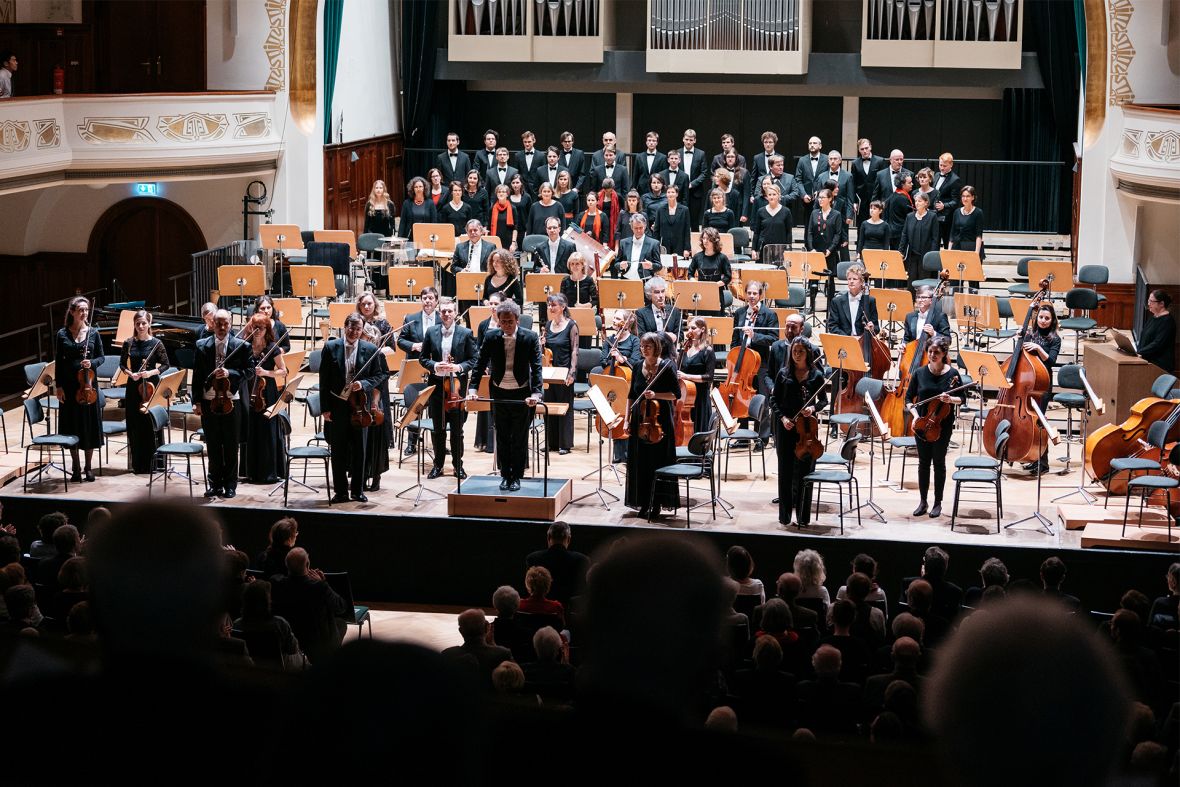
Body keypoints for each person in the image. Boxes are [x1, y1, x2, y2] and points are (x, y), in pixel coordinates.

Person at [468, 299, 543, 492]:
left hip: (521, 393)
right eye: (503, 322)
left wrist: (536, 392)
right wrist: (473, 389)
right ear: (498, 321)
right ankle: (505, 475)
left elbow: (536, 367)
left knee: (518, 437)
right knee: (501, 436)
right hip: (499, 391)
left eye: (510, 321)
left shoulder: (530, 337)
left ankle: (516, 476)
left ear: (517, 319)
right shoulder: (492, 336)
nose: (507, 326)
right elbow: (479, 363)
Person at [319, 312, 389, 502]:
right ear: (345, 326)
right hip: (337, 405)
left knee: (360, 450)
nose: (355, 332)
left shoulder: (370, 349)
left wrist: (364, 384)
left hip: (360, 406)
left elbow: (381, 375)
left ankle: (357, 491)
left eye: (358, 329)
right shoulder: (331, 347)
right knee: (338, 451)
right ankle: (340, 491)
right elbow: (323, 381)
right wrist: (325, 408)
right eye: (352, 328)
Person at [193, 309, 252, 498]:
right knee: (213, 445)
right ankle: (215, 484)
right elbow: (196, 376)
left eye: (226, 323)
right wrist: (196, 401)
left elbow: (249, 372)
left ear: (231, 323)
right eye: (218, 323)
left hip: (231, 402)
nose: (222, 327)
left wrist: (230, 374)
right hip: (209, 400)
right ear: (212, 324)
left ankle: (230, 485)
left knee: (231, 445)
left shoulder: (241, 346)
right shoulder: (202, 345)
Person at [906, 337, 964, 517]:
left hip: (942, 425)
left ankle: (937, 503)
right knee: (923, 463)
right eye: (930, 351)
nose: (932, 355)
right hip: (922, 424)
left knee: (938, 462)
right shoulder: (919, 373)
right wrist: (916, 417)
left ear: (944, 353)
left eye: (936, 352)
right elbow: (908, 399)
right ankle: (923, 501)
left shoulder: (953, 374)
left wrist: (950, 399)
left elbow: (962, 398)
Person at [773, 336, 828, 528]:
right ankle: (785, 517)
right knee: (785, 471)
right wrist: (783, 418)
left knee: (805, 473)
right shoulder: (783, 374)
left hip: (807, 430)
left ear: (808, 353)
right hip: (786, 427)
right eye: (794, 351)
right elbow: (774, 401)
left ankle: (803, 517)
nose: (797, 355)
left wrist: (812, 409)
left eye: (801, 352)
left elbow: (823, 401)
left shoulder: (816, 376)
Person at [624, 332, 680, 518]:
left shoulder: (666, 367)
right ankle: (643, 502)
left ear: (656, 347)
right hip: (639, 421)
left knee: (658, 462)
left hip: (660, 422)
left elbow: (675, 395)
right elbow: (632, 395)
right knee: (641, 462)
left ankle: (657, 503)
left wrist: (656, 395)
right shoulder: (638, 366)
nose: (643, 349)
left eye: (647, 346)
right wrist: (626, 419)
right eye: (641, 346)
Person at [420, 298, 477, 479]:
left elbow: (473, 359)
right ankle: (438, 466)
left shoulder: (466, 333)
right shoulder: (431, 332)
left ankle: (457, 466)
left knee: (457, 431)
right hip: (436, 387)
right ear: (439, 313)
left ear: (455, 313)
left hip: (456, 389)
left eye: (449, 311)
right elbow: (423, 358)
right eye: (443, 311)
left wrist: (458, 367)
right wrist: (436, 365)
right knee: (438, 429)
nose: (446, 314)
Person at [54, 297, 106, 482]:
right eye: (81, 310)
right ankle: (75, 468)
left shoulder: (93, 333)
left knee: (88, 426)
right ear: (73, 312)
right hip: (69, 386)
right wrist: (58, 386)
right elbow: (59, 363)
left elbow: (102, 358)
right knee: (72, 426)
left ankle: (88, 468)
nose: (84, 313)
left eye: (86, 310)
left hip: (88, 386)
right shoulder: (62, 334)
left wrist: (91, 362)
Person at [271, 547, 350, 667]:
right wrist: (323, 583)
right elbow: (341, 607)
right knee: (341, 623)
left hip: (291, 635)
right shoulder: (318, 587)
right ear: (307, 564)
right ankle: (329, 663)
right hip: (314, 642)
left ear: (286, 565)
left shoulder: (276, 583)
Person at [120, 309, 169, 474]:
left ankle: (154, 464)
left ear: (149, 324)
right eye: (138, 323)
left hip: (151, 385)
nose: (141, 326)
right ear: (134, 325)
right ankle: (138, 465)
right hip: (134, 387)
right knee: (135, 424)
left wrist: (150, 373)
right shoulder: (129, 343)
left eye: (143, 323)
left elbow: (165, 365)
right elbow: (122, 365)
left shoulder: (156, 343)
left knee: (150, 423)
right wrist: (130, 374)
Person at [243, 312, 287, 484]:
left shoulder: (272, 348)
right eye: (255, 327)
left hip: (267, 392)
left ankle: (269, 472)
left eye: (262, 328)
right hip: (248, 389)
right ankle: (250, 472)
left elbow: (284, 371)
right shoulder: (245, 346)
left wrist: (266, 373)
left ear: (267, 329)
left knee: (267, 431)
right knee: (251, 429)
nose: (258, 331)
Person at [356, 292, 393, 490]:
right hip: (359, 398)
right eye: (363, 304)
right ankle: (360, 475)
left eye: (370, 303)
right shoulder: (357, 351)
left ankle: (376, 476)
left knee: (377, 435)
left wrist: (375, 401)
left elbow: (382, 376)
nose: (367, 307)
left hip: (375, 397)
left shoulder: (377, 354)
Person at [1022, 303, 1062, 474]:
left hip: (1043, 385)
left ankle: (1043, 463)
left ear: (1052, 321)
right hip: (1027, 383)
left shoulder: (1055, 339)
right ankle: (1034, 458)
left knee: (1040, 423)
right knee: (1030, 423)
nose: (1043, 321)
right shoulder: (1031, 334)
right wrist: (1021, 339)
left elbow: (1051, 361)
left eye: (1047, 318)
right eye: (1041, 317)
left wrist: (1038, 348)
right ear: (1036, 318)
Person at [730, 279, 779, 403]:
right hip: (742, 362)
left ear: (760, 295)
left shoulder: (769, 314)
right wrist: (734, 358)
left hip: (760, 362)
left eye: (755, 293)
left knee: (761, 399)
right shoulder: (739, 313)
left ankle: (761, 423)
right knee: (741, 399)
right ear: (745, 294)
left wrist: (754, 336)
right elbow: (735, 338)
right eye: (749, 293)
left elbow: (774, 338)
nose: (751, 296)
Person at [542, 294, 579, 455]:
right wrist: (540, 344)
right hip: (550, 372)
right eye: (549, 305)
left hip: (564, 373)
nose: (550, 308)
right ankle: (551, 442)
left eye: (554, 305)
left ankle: (565, 444)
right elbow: (544, 353)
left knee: (565, 408)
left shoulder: (572, 326)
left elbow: (575, 351)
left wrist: (572, 373)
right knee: (549, 407)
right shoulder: (548, 325)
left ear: (563, 307)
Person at [525, 521, 590, 606]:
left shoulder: (533, 559)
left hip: (539, 610)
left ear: (548, 537)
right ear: (569, 539)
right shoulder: (582, 560)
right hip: (570, 612)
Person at [804, 188, 846, 295]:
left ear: (830, 199)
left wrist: (830, 249)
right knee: (813, 279)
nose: (820, 199)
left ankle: (831, 306)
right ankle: (812, 305)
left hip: (829, 251)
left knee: (830, 280)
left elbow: (838, 234)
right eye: (819, 197)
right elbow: (809, 232)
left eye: (823, 197)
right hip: (816, 250)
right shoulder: (814, 213)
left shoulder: (836, 214)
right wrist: (811, 248)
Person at [687, 225, 733, 311]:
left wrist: (714, 285)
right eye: (704, 238)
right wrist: (696, 283)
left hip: (716, 292)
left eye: (708, 239)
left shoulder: (722, 258)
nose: (705, 241)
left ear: (714, 240)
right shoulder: (697, 257)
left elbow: (728, 276)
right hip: (701, 293)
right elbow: (690, 274)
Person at [899, 191, 940, 283]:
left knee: (924, 283)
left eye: (920, 201)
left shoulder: (932, 217)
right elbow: (904, 235)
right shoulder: (910, 217)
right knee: (911, 282)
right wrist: (901, 251)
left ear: (926, 203)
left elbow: (935, 238)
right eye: (916, 201)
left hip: (926, 256)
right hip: (912, 256)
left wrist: (932, 256)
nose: (917, 203)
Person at [450, 219, 492, 302]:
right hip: (466, 284)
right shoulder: (460, 247)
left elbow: (494, 267)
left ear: (481, 231)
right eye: (470, 231)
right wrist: (462, 270)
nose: (473, 233)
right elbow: (453, 267)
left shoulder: (490, 247)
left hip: (484, 283)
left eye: (475, 230)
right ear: (467, 232)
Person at [614, 213, 662, 279]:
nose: (638, 230)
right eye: (636, 228)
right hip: (626, 280)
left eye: (641, 228)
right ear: (631, 227)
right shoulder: (623, 242)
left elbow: (659, 266)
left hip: (645, 281)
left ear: (645, 226)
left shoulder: (654, 243)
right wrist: (621, 265)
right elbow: (616, 263)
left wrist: (651, 266)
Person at [851, 138, 887, 225]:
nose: (865, 151)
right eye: (862, 149)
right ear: (859, 150)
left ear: (870, 147)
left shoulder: (880, 161)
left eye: (866, 148)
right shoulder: (855, 163)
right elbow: (853, 183)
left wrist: (882, 199)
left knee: (877, 222)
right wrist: (854, 201)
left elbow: (884, 181)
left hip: (876, 198)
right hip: (861, 199)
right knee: (861, 223)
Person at [751, 183, 792, 258]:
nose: (772, 197)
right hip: (763, 249)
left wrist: (788, 250)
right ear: (767, 196)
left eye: (774, 194)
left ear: (779, 195)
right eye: (769, 195)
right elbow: (756, 232)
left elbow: (789, 233)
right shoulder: (760, 211)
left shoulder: (786, 211)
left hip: (780, 250)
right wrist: (753, 249)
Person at [635, 276, 682, 343]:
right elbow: (641, 336)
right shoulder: (641, 313)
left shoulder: (675, 311)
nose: (661, 295)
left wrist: (675, 337)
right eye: (657, 292)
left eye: (663, 291)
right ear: (650, 294)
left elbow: (681, 335)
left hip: (669, 351)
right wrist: (661, 337)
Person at [1138, 289, 1175, 372]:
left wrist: (1138, 352)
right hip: (1147, 359)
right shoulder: (1154, 317)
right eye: (1148, 300)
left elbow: (1157, 344)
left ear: (1161, 304)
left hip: (1159, 365)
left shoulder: (1167, 321)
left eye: (1151, 301)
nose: (1148, 304)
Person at [932, 153, 962, 247]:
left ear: (951, 165)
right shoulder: (936, 175)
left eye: (944, 166)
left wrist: (944, 205)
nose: (942, 168)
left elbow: (955, 201)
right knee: (934, 242)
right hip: (935, 215)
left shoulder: (955, 180)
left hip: (947, 218)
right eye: (940, 165)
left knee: (947, 242)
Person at [654, 184, 691, 258]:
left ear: (677, 194)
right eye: (668, 192)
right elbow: (656, 231)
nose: (670, 194)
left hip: (680, 246)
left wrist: (687, 248)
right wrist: (655, 248)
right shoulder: (660, 210)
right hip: (665, 246)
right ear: (666, 194)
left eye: (673, 192)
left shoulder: (684, 210)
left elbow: (687, 230)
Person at [397, 176, 438, 242]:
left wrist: (434, 239)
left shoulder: (430, 203)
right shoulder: (407, 203)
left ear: (424, 188)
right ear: (413, 189)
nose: (418, 189)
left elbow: (434, 222)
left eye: (420, 186)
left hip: (426, 238)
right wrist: (399, 239)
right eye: (416, 187)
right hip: (410, 238)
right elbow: (403, 222)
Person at [950, 185, 985, 259]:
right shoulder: (957, 212)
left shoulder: (978, 212)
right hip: (957, 247)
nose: (965, 199)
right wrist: (949, 251)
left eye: (968, 196)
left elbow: (979, 235)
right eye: (963, 196)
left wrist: (976, 253)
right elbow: (952, 233)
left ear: (973, 197)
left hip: (971, 248)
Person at [883, 173, 914, 250]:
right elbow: (910, 216)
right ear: (902, 184)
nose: (912, 184)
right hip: (900, 233)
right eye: (909, 183)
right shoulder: (902, 198)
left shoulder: (893, 195)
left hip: (892, 232)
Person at [487, 184, 521, 251]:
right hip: (495, 241)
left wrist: (513, 243)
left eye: (503, 192)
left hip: (508, 242)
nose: (501, 194)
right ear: (496, 194)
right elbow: (489, 227)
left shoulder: (512, 208)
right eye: (499, 192)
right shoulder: (492, 208)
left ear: (507, 194)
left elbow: (515, 227)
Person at [634, 130, 667, 195]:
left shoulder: (663, 157)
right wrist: (634, 189)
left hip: (657, 190)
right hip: (642, 190)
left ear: (657, 143)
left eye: (654, 141)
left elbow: (663, 176)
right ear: (646, 142)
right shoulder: (639, 157)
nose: (651, 142)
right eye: (649, 140)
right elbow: (635, 175)